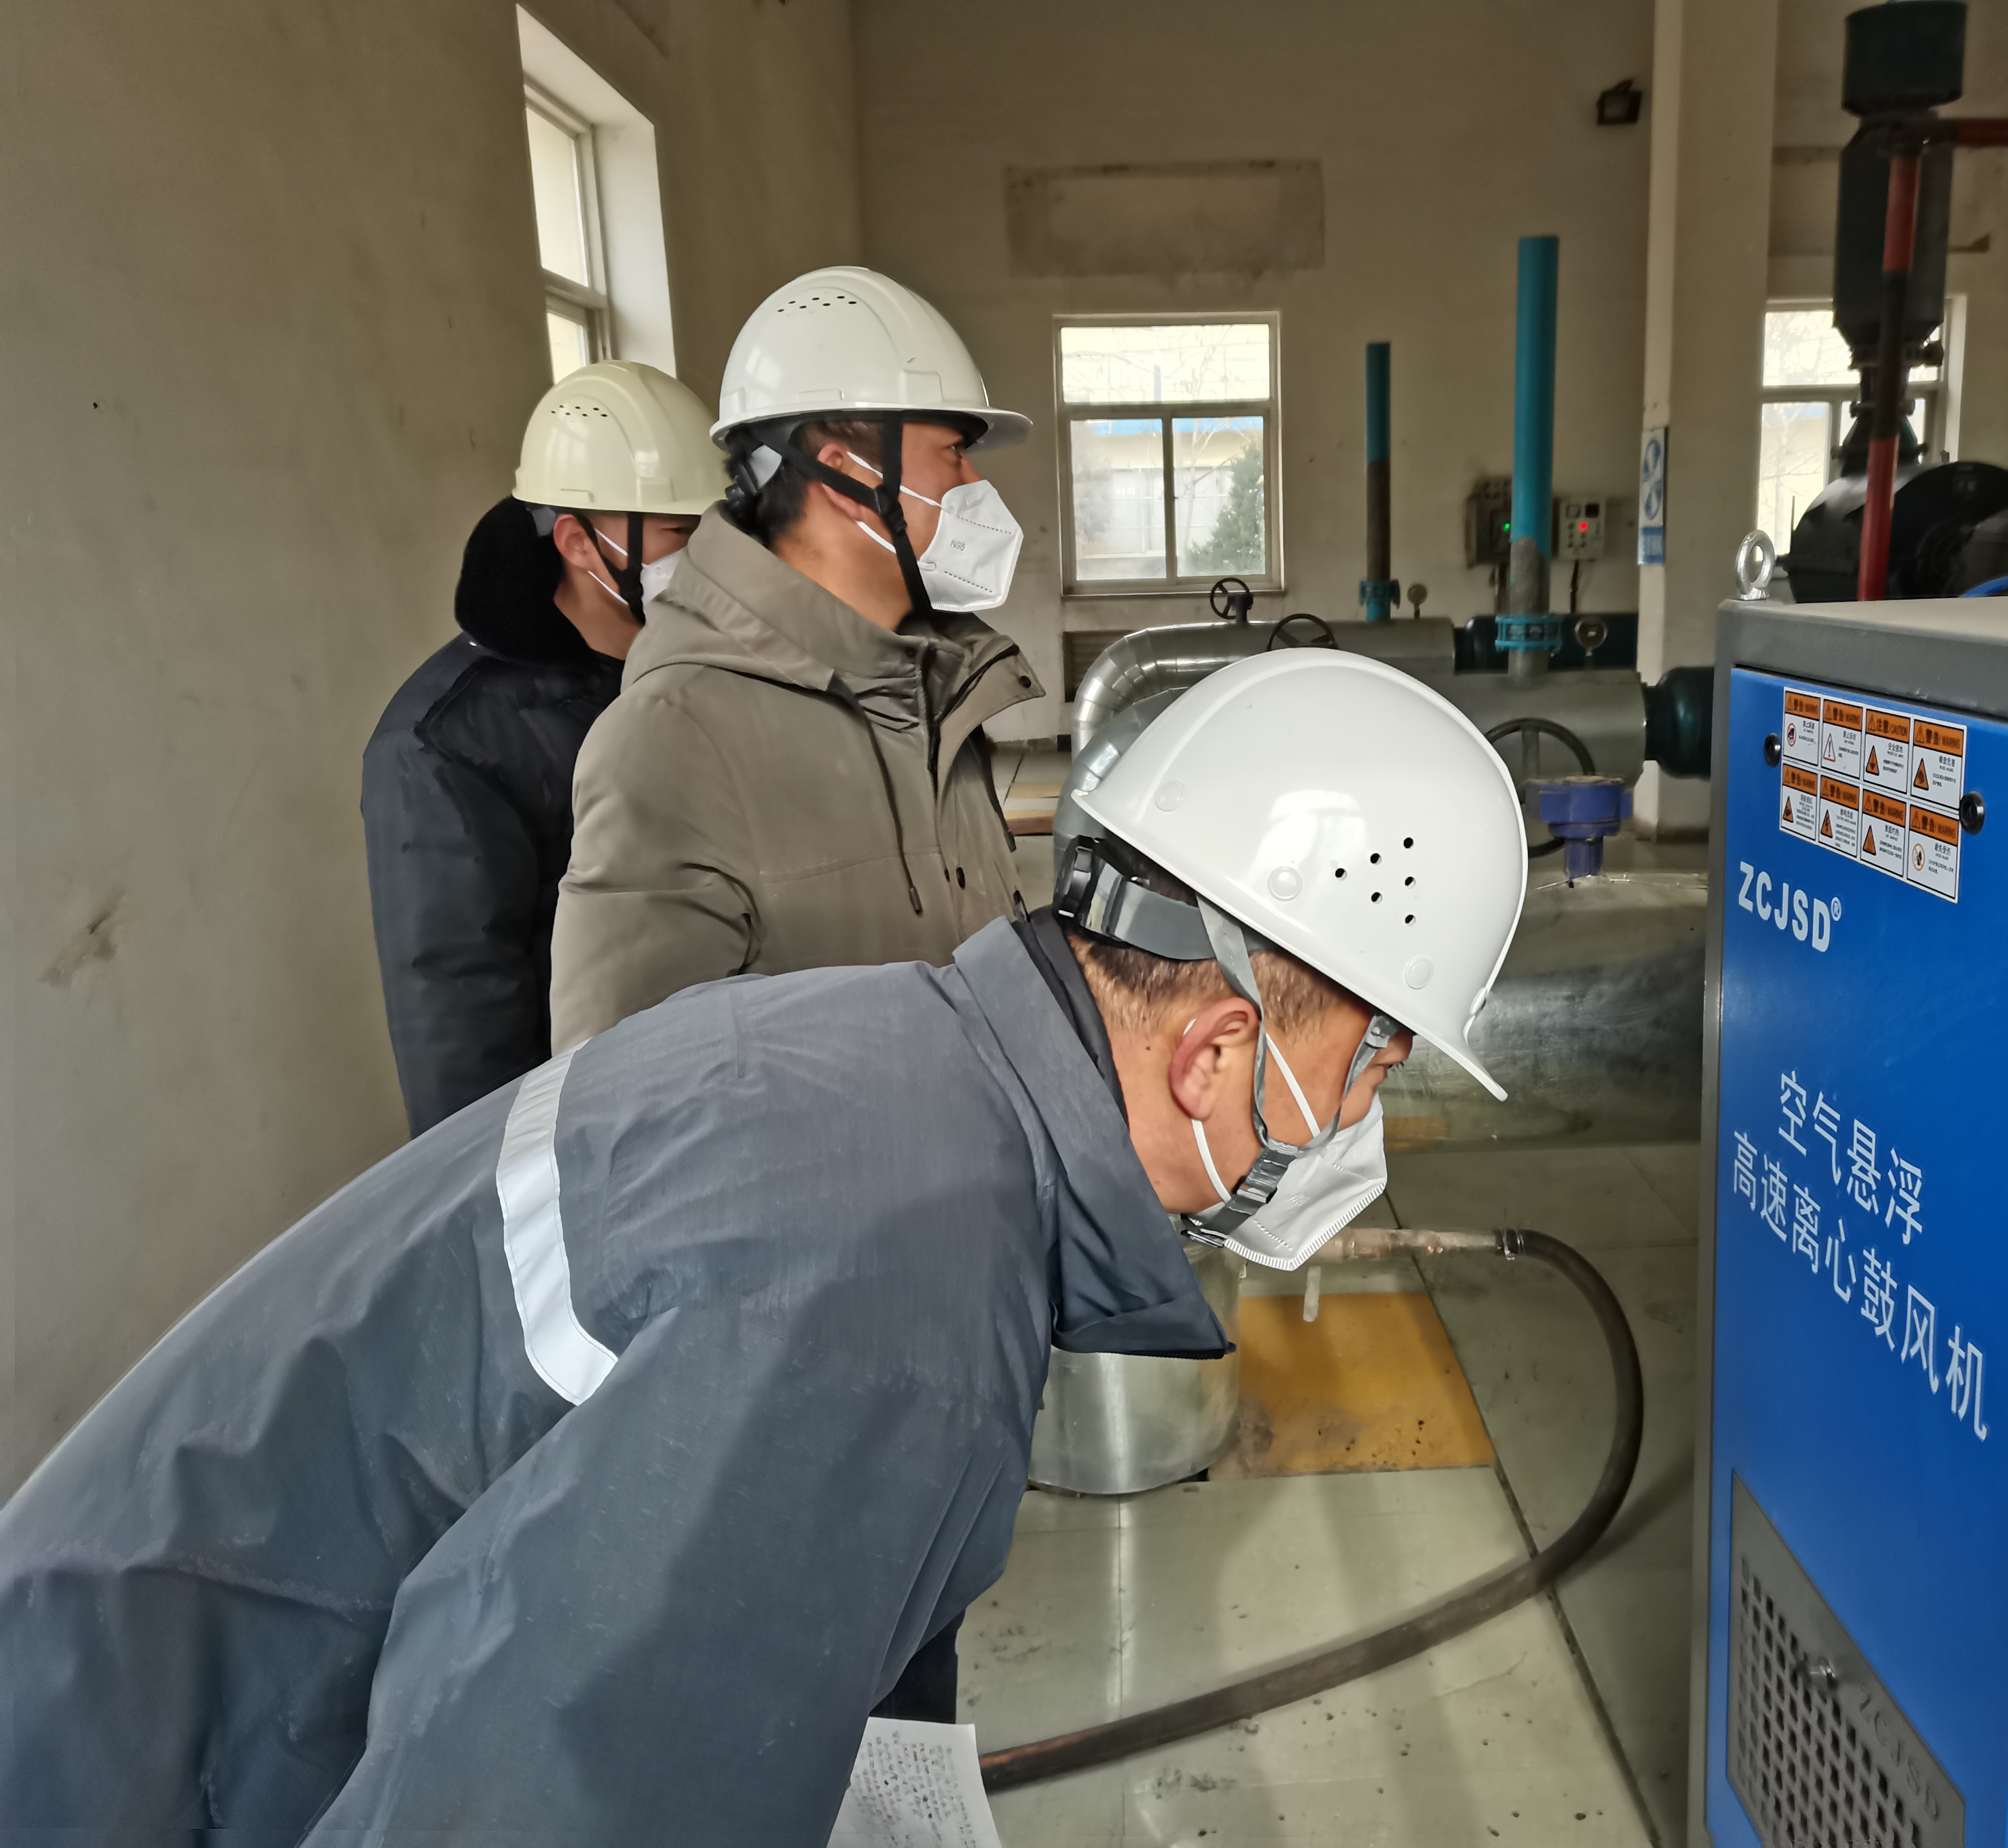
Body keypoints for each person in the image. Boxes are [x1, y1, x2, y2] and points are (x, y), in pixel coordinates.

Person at [0, 650, 1527, 1843]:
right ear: (1215, 1050)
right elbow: (533, 1807)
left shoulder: (901, 1067)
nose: (1358, 1127)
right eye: (1369, 1068)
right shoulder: (896, 1302)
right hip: (132, 1774)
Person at [549, 265, 1045, 1055]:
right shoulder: (670, 741)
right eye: (954, 452)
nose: (975, 482)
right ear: (847, 473)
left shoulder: (934, 690)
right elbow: (624, 1100)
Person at [361, 360, 727, 1134]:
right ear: (579, 543)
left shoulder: (698, 665)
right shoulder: (446, 746)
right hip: (597, 1130)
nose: (707, 559)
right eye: (680, 534)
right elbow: (463, 1032)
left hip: (713, 1086)